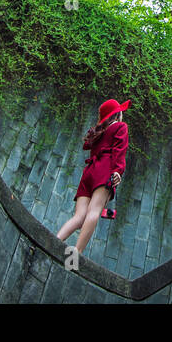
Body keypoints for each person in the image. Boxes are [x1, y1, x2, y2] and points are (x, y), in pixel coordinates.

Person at [56, 98, 129, 256]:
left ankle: (55, 240)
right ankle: (76, 253)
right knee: (94, 211)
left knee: (79, 217)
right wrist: (117, 171)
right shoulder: (121, 127)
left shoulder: (99, 132)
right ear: (117, 114)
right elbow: (119, 150)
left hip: (89, 172)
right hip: (105, 169)